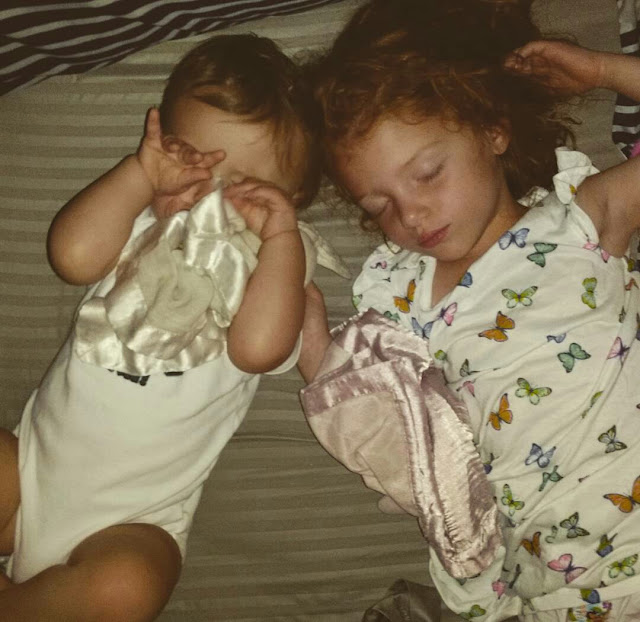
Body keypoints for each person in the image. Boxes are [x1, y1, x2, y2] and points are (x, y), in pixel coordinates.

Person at [298, 1, 640, 620]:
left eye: (428, 173)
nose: (411, 214)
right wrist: (309, 336)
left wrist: (602, 70)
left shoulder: (582, 221)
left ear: (492, 130)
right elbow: (375, 418)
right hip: (555, 587)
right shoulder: (398, 295)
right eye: (379, 206)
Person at [0, 33, 322, 620]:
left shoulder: (276, 265)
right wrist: (139, 176)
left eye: (242, 186)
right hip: (29, 474)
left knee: (127, 589)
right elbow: (70, 257)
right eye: (189, 162)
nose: (206, 199)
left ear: (292, 197)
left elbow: (257, 350)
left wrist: (280, 239)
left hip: (134, 522)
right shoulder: (140, 222)